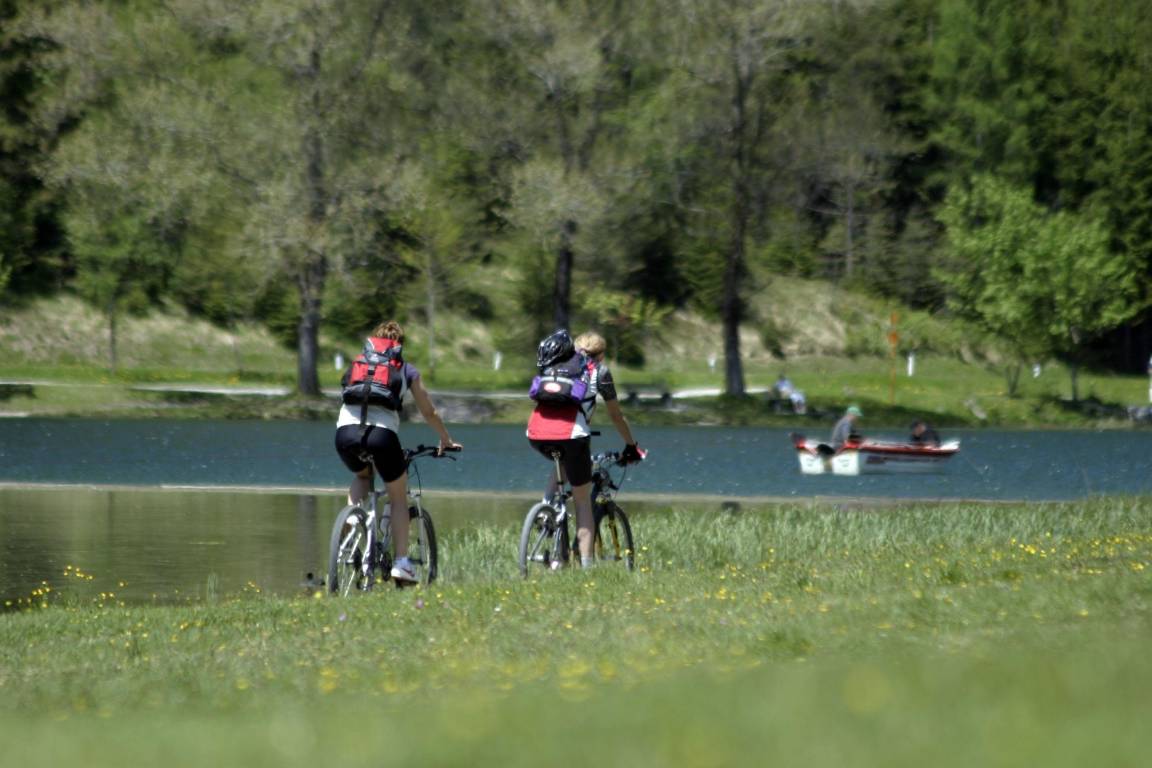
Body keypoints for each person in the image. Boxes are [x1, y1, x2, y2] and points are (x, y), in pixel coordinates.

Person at [334, 321, 461, 584]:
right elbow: (429, 412)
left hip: (345, 434)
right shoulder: (406, 369)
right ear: (399, 345)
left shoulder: (359, 362)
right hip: (382, 437)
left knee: (363, 476)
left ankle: (351, 523)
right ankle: (402, 563)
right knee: (398, 496)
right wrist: (445, 438)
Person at [526, 330, 644, 569]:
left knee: (561, 460)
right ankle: (586, 568)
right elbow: (616, 416)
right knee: (582, 502)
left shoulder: (556, 364)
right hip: (573, 435)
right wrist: (632, 446)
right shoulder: (599, 371)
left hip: (535, 433)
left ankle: (545, 507)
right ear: (601, 354)